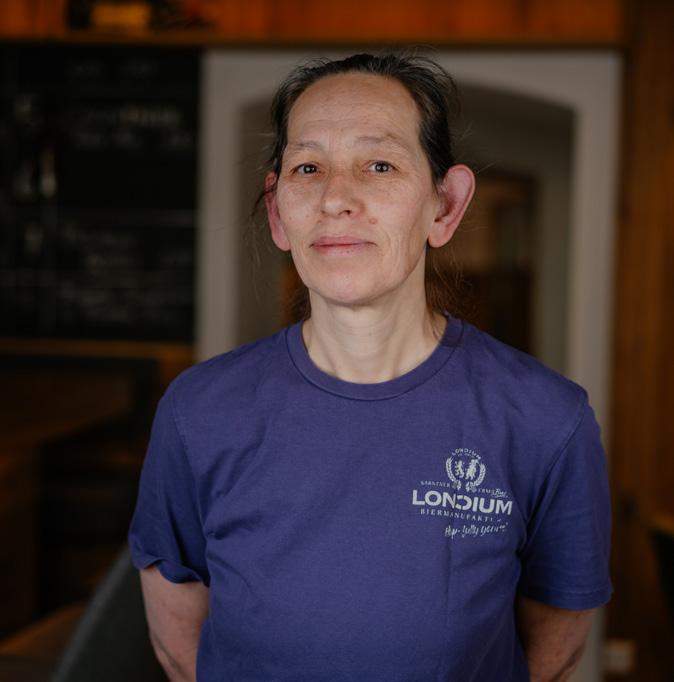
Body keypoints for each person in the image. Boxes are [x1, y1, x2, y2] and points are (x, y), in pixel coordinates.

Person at [128, 51, 612, 682]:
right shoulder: (198, 411)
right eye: (308, 167)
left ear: (445, 206)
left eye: (379, 164)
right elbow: (178, 642)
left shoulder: (547, 420)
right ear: (278, 212)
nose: (335, 198)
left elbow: (556, 650)